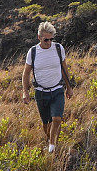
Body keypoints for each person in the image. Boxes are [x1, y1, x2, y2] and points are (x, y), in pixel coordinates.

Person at [22, 21, 73, 153]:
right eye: (46, 40)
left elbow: (64, 68)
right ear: (39, 37)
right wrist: (25, 92)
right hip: (40, 93)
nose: (49, 42)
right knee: (46, 123)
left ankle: (52, 147)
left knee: (57, 119)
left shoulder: (58, 48)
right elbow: (26, 73)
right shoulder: (32, 52)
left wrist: (69, 87)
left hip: (57, 90)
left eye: (51, 39)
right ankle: (51, 141)